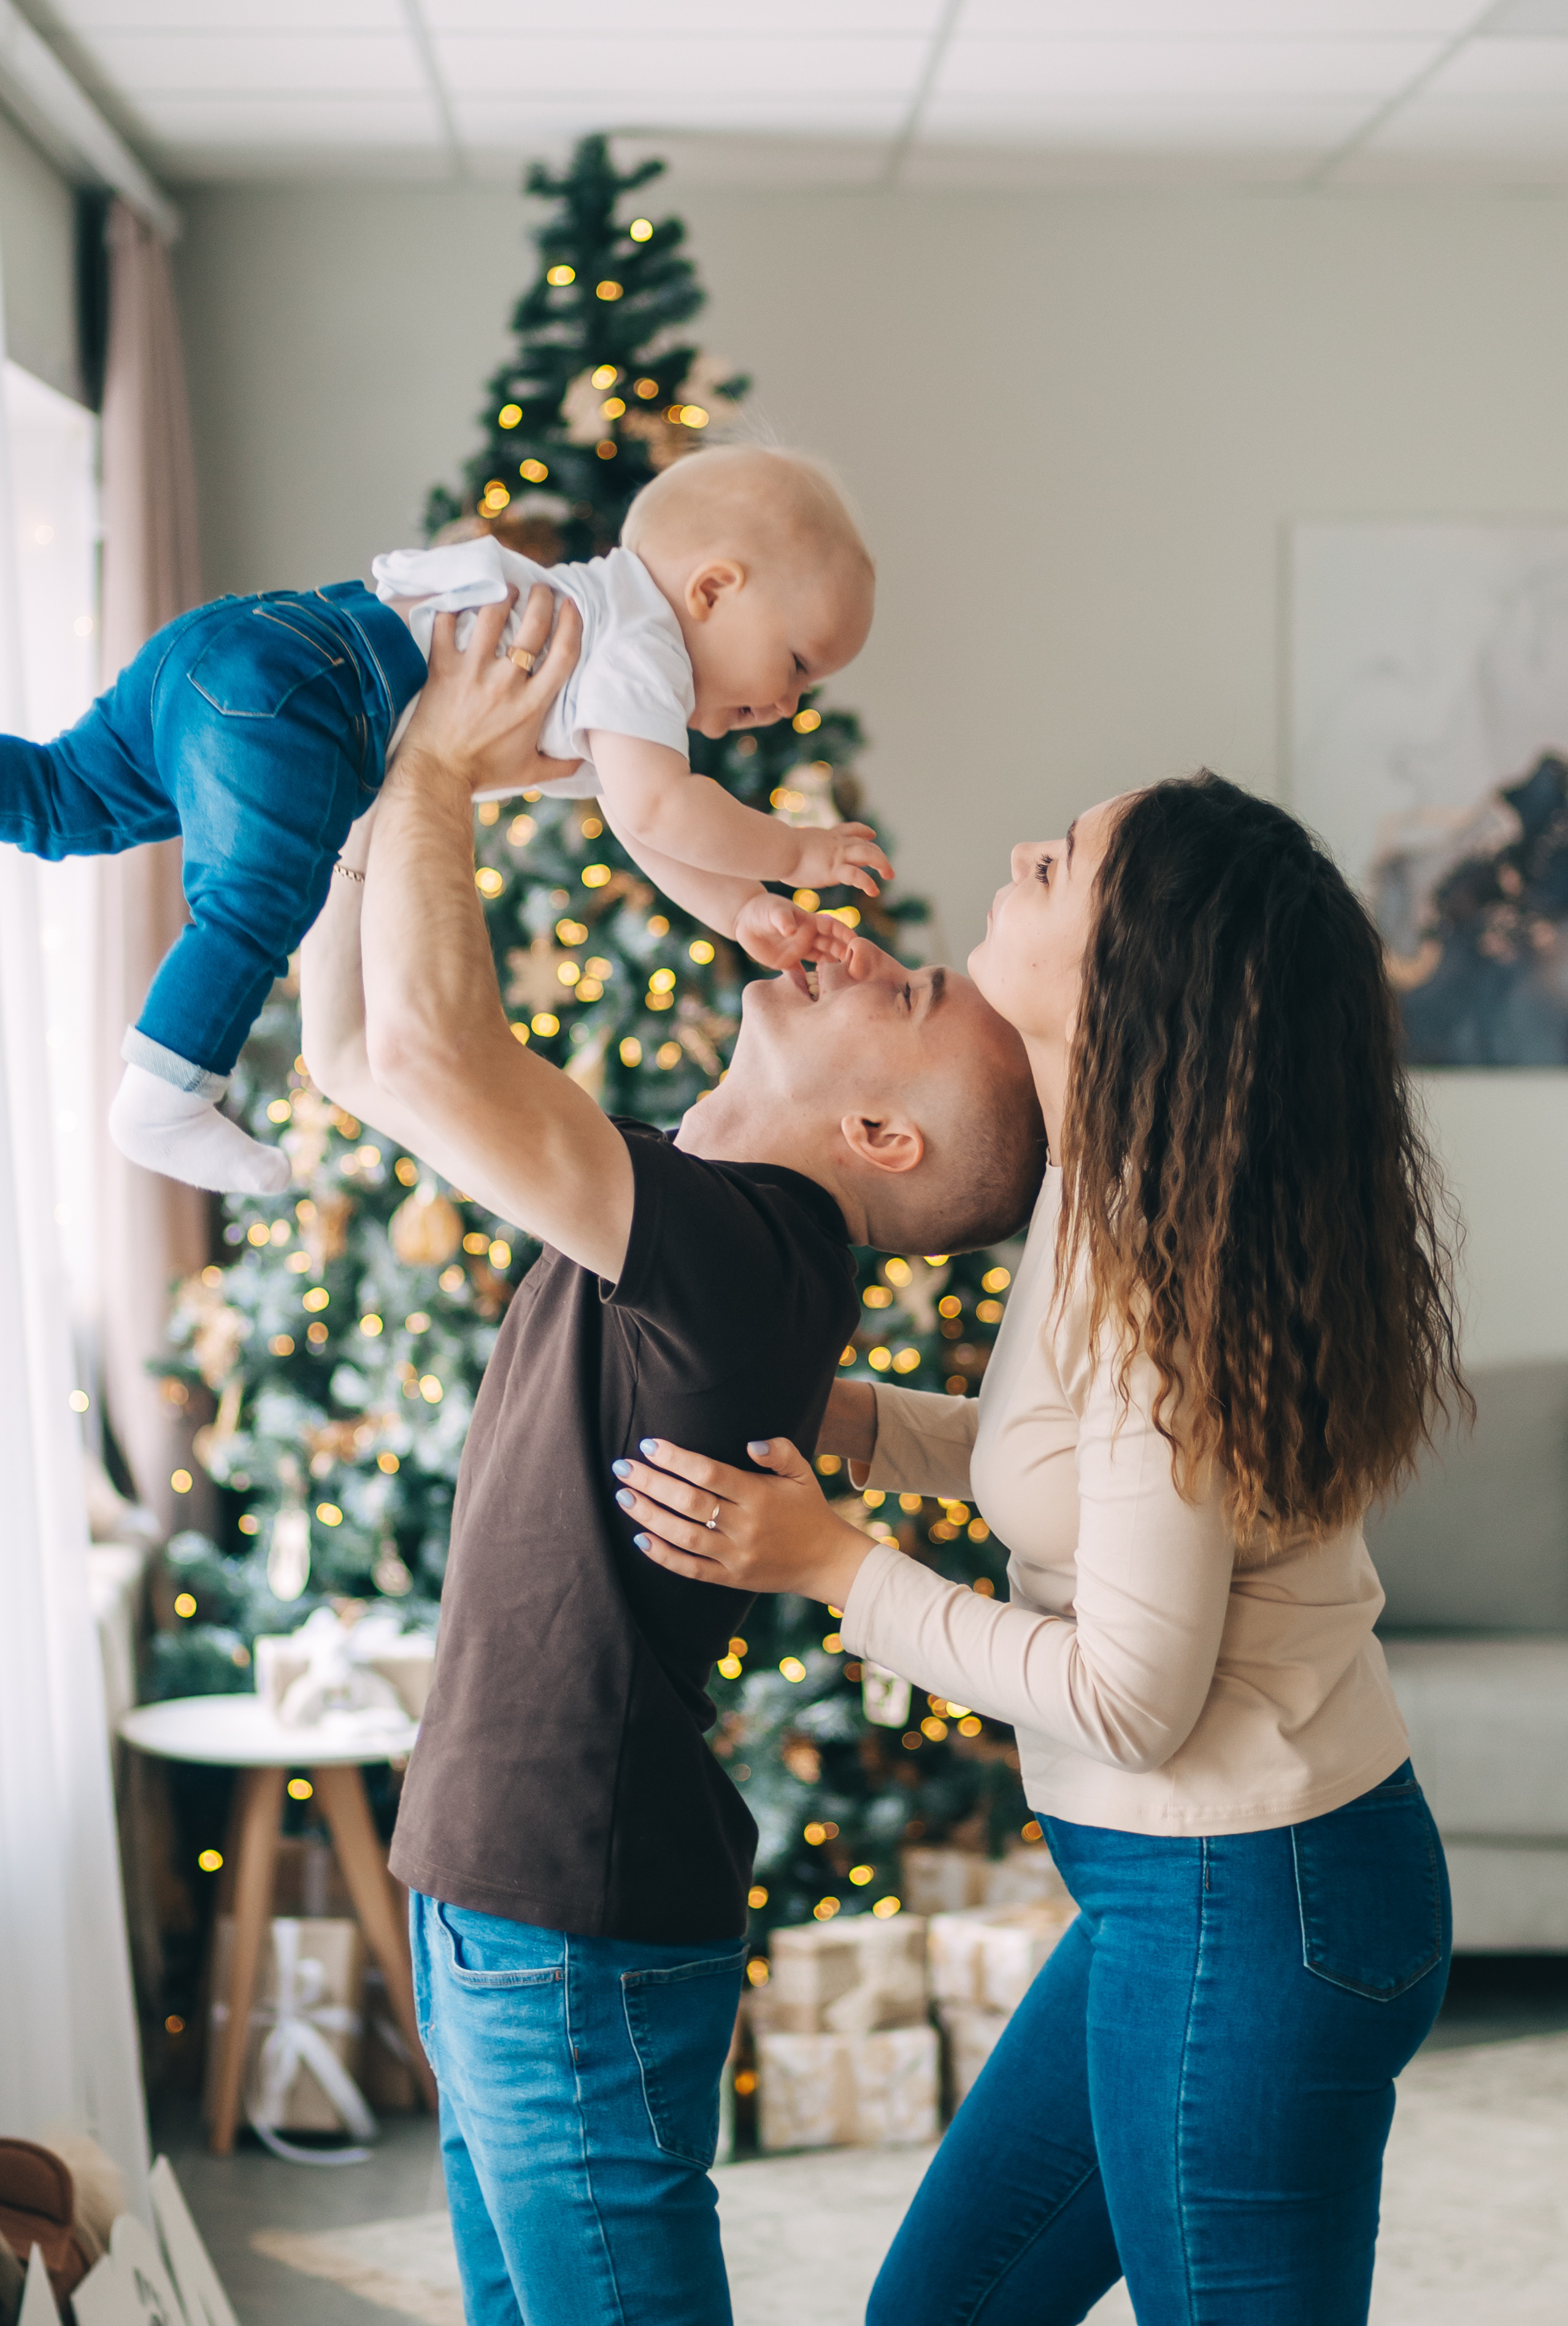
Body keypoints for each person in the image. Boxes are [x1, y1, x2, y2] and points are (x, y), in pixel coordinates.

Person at [615, 772, 1471, 2326]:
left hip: (1246, 1902)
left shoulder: (1164, 1285)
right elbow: (1077, 1470)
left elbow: (1135, 1692)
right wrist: (869, 1421)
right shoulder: (1122, 1186)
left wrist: (838, 1570)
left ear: (1130, 972)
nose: (1019, 854)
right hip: (1201, 1894)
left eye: (1063, 861)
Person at [298, 591, 1046, 2326]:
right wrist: (369, 792)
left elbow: (424, 1052)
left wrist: (434, 774)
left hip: (568, 1905)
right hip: (510, 1886)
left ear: (877, 1134)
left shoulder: (746, 1243)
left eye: (902, 984)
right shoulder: (710, 1222)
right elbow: (361, 1061)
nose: (851, 939)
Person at [0, 444, 877, 1196]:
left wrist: (737, 909)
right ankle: (165, 1093)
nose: (789, 703)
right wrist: (797, 849)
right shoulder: (648, 647)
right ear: (714, 589)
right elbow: (662, 804)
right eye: (797, 664)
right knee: (258, 899)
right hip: (305, 696)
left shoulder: (613, 637)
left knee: (60, 794)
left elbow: (638, 816)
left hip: (245, 643)